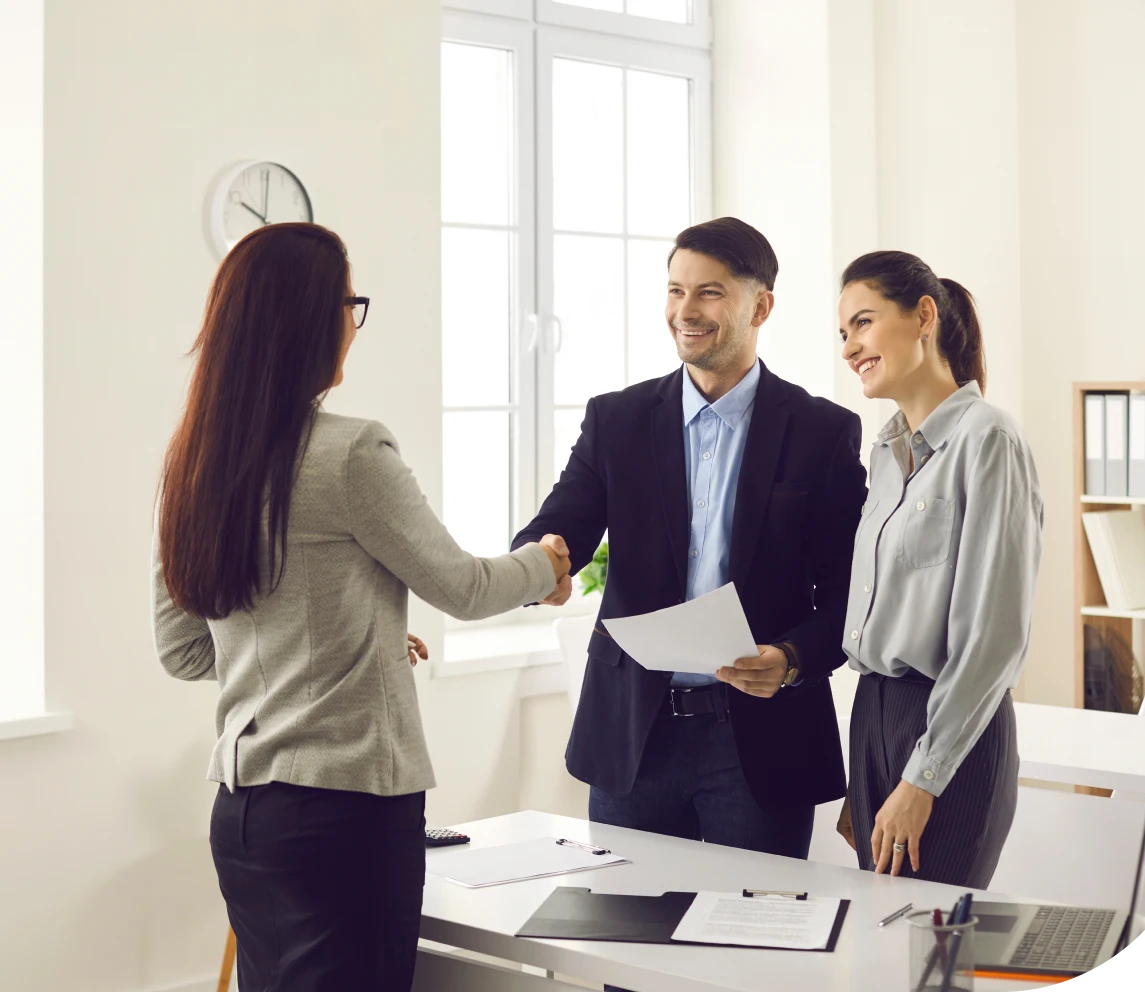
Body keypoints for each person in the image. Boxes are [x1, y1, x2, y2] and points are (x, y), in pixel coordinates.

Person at [151, 222, 572, 992]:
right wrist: (543, 563)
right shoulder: (349, 453)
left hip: (245, 819)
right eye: (350, 302)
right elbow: (466, 588)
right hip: (344, 812)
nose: (354, 322)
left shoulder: (195, 459)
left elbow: (185, 649)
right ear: (312, 320)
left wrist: (352, 637)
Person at [513, 217, 867, 861]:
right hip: (635, 741)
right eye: (675, 291)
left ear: (760, 306)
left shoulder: (822, 432)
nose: (686, 310)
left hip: (759, 742)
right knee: (626, 939)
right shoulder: (615, 421)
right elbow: (557, 526)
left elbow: (851, 597)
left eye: (709, 292)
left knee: (756, 942)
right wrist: (543, 565)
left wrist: (789, 659)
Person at [835, 250, 1043, 888]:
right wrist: (868, 768)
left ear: (923, 316)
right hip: (874, 717)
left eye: (863, 323)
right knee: (881, 957)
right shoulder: (887, 453)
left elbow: (992, 638)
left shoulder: (989, 442)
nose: (850, 348)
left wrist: (921, 778)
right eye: (843, 334)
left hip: (947, 729)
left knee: (927, 966)